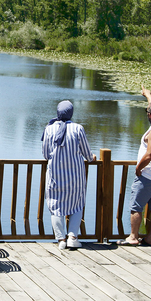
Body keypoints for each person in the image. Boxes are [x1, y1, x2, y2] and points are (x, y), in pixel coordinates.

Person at [119, 87, 151, 247]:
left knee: (136, 206)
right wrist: (147, 95)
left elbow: (148, 155)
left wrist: (138, 168)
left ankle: (133, 237)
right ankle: (150, 238)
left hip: (148, 175)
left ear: (150, 115)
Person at [42, 100, 96, 250]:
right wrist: (92, 157)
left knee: (55, 205)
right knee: (77, 204)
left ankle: (61, 239)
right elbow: (87, 154)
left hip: (55, 175)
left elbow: (46, 154)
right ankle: (72, 237)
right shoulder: (78, 129)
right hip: (75, 176)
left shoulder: (49, 129)